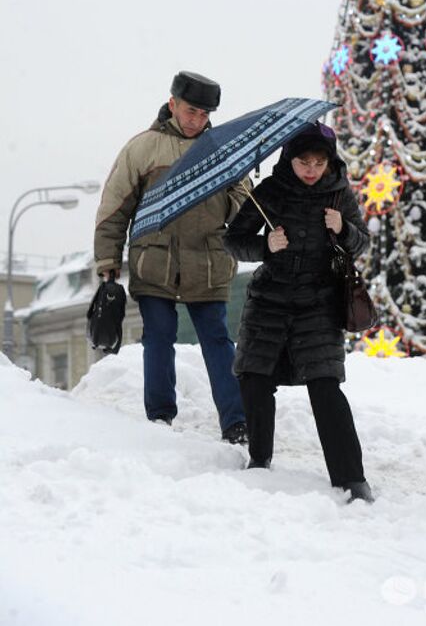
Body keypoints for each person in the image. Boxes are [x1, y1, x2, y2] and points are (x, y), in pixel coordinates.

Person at [223, 122, 374, 503]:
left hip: (318, 304)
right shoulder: (269, 192)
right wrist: (265, 245)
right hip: (269, 302)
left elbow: (362, 242)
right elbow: (233, 241)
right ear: (289, 159)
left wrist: (343, 230)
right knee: (255, 379)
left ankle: (352, 479)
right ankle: (260, 461)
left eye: (319, 162)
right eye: (303, 161)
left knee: (325, 387)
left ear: (329, 162)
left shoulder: (340, 195)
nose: (311, 169)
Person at [94, 70, 247, 441]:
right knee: (158, 336)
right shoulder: (142, 148)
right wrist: (108, 260)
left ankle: (236, 421)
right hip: (155, 260)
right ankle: (160, 416)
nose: (197, 121)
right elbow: (115, 207)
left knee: (216, 337)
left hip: (208, 261)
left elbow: (243, 201)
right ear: (173, 104)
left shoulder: (222, 150)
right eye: (191, 111)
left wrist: (230, 199)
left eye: (205, 115)